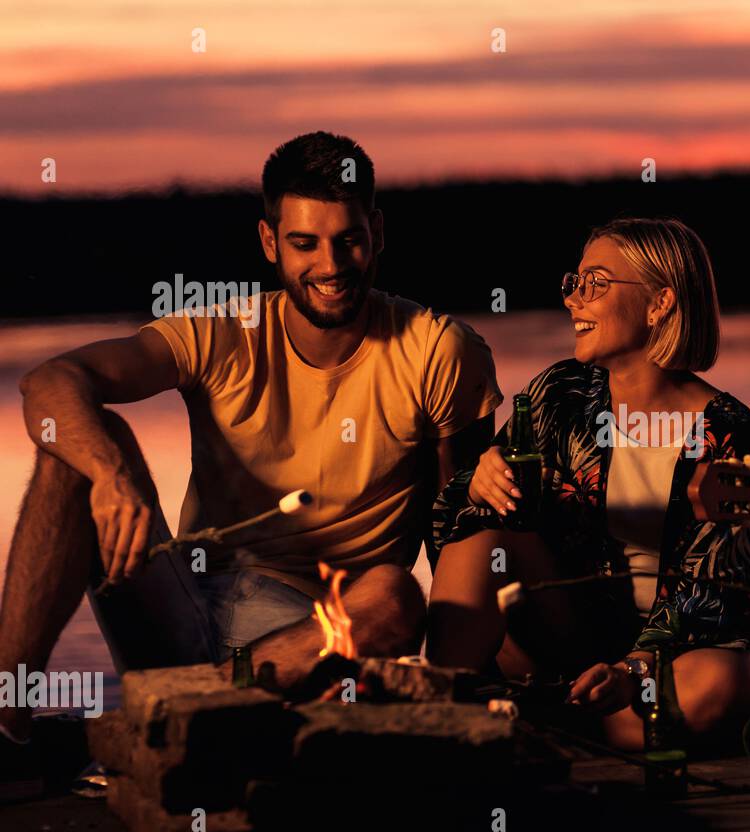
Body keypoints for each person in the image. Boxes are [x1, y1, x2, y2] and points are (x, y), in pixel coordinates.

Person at [0, 131, 501, 751]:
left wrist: (467, 680)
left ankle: (195, 703)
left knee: (395, 590)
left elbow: (462, 529)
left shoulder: (438, 351)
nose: (330, 264)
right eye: (304, 243)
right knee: (74, 447)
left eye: (347, 239)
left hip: (320, 641)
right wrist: (109, 474)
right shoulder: (222, 332)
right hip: (184, 606)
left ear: (376, 230)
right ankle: (8, 722)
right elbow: (52, 381)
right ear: (270, 243)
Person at [426, 217, 750, 750]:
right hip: (568, 637)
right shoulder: (559, 392)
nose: (574, 301)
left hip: (672, 658)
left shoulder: (728, 429)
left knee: (728, 681)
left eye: (597, 283)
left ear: (659, 304)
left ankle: (544, 721)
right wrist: (477, 486)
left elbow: (722, 595)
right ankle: (443, 718)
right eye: (576, 282)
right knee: (482, 541)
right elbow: (453, 525)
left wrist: (633, 669)